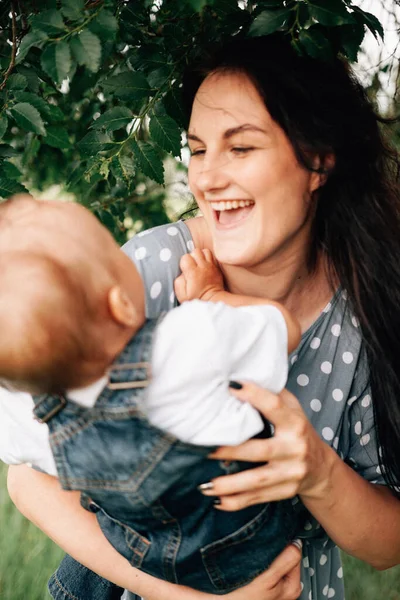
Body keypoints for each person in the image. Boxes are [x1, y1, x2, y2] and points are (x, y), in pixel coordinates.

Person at [7, 31, 400, 600]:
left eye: (240, 147)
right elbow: (29, 478)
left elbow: (386, 546)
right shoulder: (146, 271)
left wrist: (317, 471)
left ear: (317, 159)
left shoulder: (367, 303)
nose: (207, 177)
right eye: (197, 149)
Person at [0, 194, 302, 597]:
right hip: (254, 548)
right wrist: (212, 298)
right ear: (121, 305)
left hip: (154, 566)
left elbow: (18, 459)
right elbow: (284, 327)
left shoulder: (22, 419)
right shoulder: (186, 340)